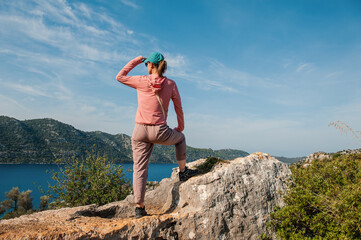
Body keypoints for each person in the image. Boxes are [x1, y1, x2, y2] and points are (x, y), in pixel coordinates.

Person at [116, 52, 198, 218]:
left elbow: (120, 76)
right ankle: (183, 172)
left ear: (151, 65)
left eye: (147, 64)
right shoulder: (170, 84)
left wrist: (136, 60)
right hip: (160, 131)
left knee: (139, 169)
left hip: (139, 131)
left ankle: (139, 208)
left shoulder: (141, 81)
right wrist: (180, 127)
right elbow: (178, 107)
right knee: (180, 138)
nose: (146, 66)